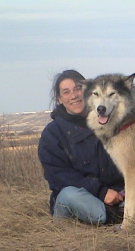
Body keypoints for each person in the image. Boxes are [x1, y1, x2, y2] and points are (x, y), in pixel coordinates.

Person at [38, 69, 124, 225]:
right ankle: (114, 217)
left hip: (115, 194)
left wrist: (121, 192)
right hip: (82, 198)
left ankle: (119, 213)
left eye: (78, 88)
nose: (74, 95)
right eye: (66, 92)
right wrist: (101, 192)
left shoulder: (110, 122)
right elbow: (59, 177)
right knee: (70, 196)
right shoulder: (52, 134)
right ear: (59, 99)